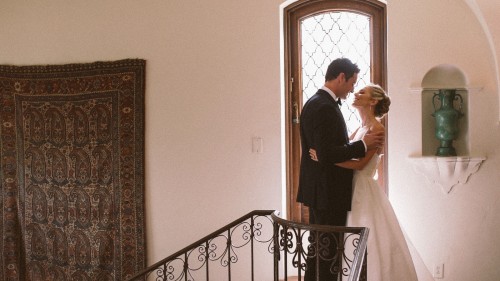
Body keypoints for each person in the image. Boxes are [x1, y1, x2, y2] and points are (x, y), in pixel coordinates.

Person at [309, 84, 419, 281]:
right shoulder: (360, 128)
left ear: (373, 101)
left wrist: (324, 158)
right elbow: (345, 150)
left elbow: (360, 164)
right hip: (350, 188)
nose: (355, 94)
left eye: (362, 92)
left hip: (363, 190)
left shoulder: (377, 129)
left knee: (367, 239)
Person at [296, 58, 384, 280]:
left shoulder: (315, 102)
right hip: (328, 193)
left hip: (324, 191)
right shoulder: (325, 106)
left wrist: (324, 156)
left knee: (320, 250)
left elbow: (327, 152)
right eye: (353, 82)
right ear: (341, 77)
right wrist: (363, 145)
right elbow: (328, 151)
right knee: (327, 252)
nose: (353, 89)